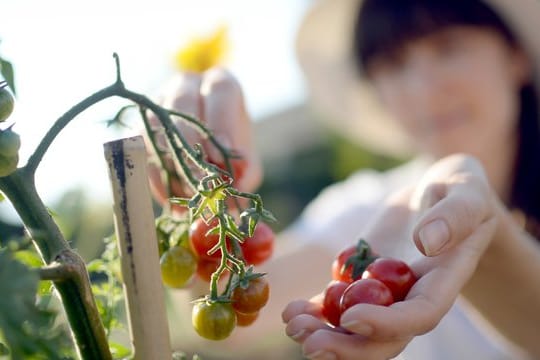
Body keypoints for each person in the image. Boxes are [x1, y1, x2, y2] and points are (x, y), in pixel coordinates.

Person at [147, 0, 540, 359]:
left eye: (447, 46)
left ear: (516, 55)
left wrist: (492, 243)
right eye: (393, 64)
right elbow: (229, 307)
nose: (423, 87)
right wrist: (199, 190)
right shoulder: (378, 213)